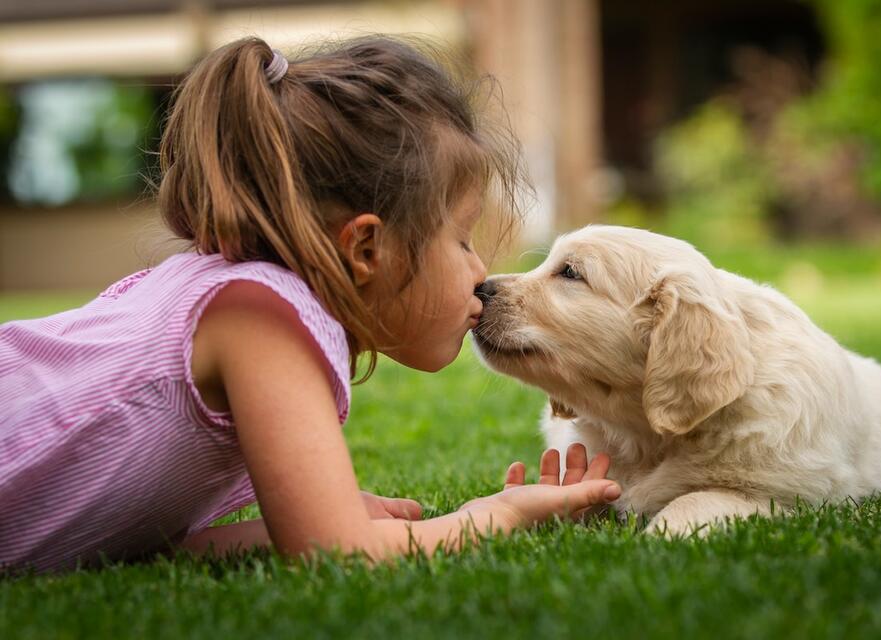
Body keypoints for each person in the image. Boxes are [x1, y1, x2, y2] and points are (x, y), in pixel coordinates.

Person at [0, 36, 620, 573]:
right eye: (461, 238)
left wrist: (327, 510)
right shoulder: (264, 321)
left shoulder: (243, 302)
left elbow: (147, 543)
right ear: (367, 247)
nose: (480, 273)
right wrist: (496, 514)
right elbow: (340, 556)